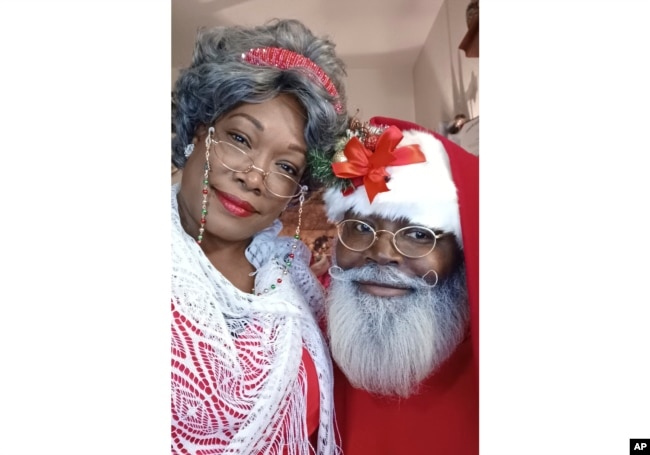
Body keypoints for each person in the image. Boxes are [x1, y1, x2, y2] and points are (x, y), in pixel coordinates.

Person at [170, 19, 348, 454]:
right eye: (240, 138)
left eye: (286, 166)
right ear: (198, 132)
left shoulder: (298, 285)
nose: (254, 177)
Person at [319, 116, 479, 454]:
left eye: (419, 235)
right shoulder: (304, 345)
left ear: (463, 254)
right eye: (360, 227)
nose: (381, 253)